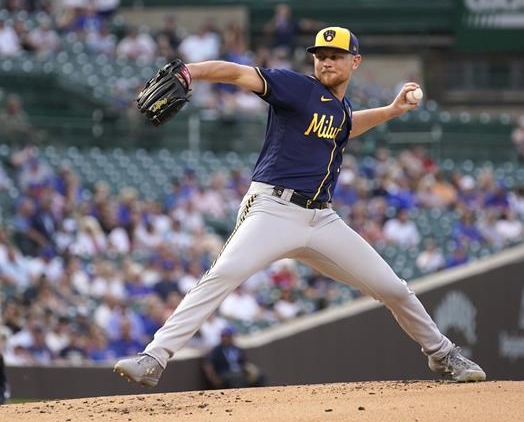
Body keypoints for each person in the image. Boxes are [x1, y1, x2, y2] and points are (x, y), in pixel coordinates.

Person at [113, 26, 486, 387]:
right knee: (223, 275)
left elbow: (345, 126)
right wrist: (190, 70)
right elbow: (239, 74)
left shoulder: (340, 108)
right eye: (320, 56)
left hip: (321, 219)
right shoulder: (296, 88)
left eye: (335, 56)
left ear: (355, 62)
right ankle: (154, 357)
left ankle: (443, 354)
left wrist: (390, 110)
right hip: (273, 209)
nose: (325, 62)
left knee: (394, 288)